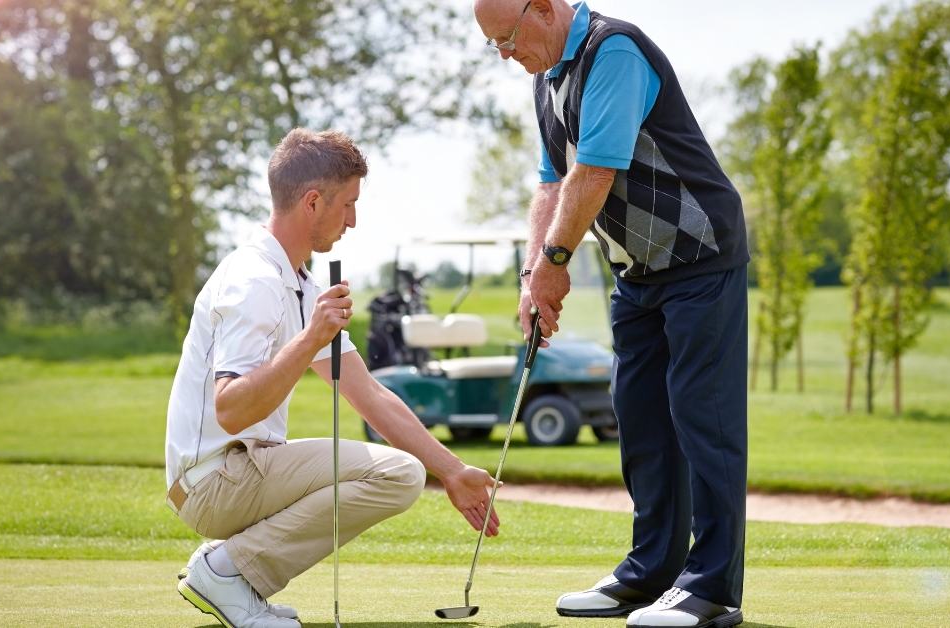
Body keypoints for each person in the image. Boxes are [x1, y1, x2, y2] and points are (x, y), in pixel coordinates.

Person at [474, 2, 751, 627]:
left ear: (542, 9)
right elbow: (552, 184)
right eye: (492, 45)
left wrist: (555, 263)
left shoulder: (613, 50)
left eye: (508, 38)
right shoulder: (548, 82)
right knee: (640, 415)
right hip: (637, 272)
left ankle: (711, 589)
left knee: (700, 417)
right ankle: (652, 573)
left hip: (699, 254)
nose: (505, 55)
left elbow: (595, 170)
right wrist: (531, 278)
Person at [164, 128, 501, 628]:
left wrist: (451, 471)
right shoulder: (254, 280)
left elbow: (369, 395)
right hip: (213, 482)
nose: (354, 221)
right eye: (348, 205)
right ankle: (229, 570)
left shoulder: (299, 284)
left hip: (242, 469)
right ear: (313, 202)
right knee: (398, 474)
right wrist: (310, 338)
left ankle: (230, 569)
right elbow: (231, 408)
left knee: (405, 471)